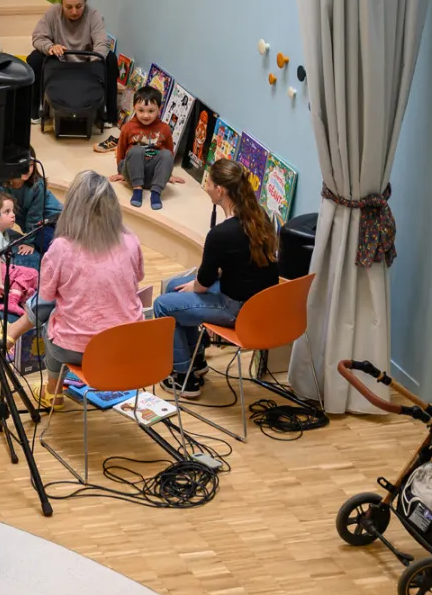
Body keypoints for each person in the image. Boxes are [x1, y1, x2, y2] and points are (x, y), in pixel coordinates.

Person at [154, 158, 281, 398]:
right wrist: (199, 283)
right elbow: (243, 262)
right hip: (260, 303)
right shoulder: (260, 217)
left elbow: (203, 283)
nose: (206, 188)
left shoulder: (221, 234)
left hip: (237, 309)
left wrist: (195, 285)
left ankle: (183, 377)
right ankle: (196, 360)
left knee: (163, 305)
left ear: (220, 190)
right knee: (174, 287)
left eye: (209, 183)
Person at [32, 172, 145, 409]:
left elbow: (45, 298)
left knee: (50, 320)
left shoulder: (61, 248)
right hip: (129, 346)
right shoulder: (131, 240)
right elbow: (138, 278)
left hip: (76, 350)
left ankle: (53, 392)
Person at [27, 0, 116, 126]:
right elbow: (38, 37)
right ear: (61, 3)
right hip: (60, 63)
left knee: (111, 59)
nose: (74, 12)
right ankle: (35, 110)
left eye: (79, 6)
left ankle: (108, 115)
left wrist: (94, 60)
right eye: (68, 7)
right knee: (34, 58)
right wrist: (50, 47)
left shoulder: (94, 15)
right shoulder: (53, 13)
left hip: (87, 65)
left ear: (85, 2)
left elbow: (102, 43)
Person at [117, 84, 179, 209]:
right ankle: (137, 190)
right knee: (136, 150)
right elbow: (121, 151)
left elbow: (169, 153)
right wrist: (121, 171)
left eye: (151, 111)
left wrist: (168, 174)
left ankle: (156, 193)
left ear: (159, 109)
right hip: (132, 173)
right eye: (141, 110)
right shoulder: (128, 127)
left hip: (152, 175)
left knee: (166, 154)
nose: (146, 115)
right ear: (134, 108)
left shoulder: (165, 128)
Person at [6, 155, 63, 255]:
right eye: (24, 165)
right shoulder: (1, 183)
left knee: (54, 250)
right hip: (38, 225)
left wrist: (29, 242)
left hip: (54, 221)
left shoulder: (37, 185)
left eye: (31, 165)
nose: (28, 170)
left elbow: (34, 217)